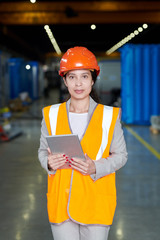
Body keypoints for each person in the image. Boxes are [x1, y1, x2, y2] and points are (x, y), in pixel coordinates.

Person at [38, 46, 128, 240]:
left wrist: (95, 167)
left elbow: (121, 156)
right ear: (64, 80)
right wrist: (48, 163)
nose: (78, 83)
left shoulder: (109, 116)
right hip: (62, 203)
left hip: (95, 202)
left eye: (84, 76)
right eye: (72, 77)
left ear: (93, 79)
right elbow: (42, 152)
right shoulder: (51, 114)